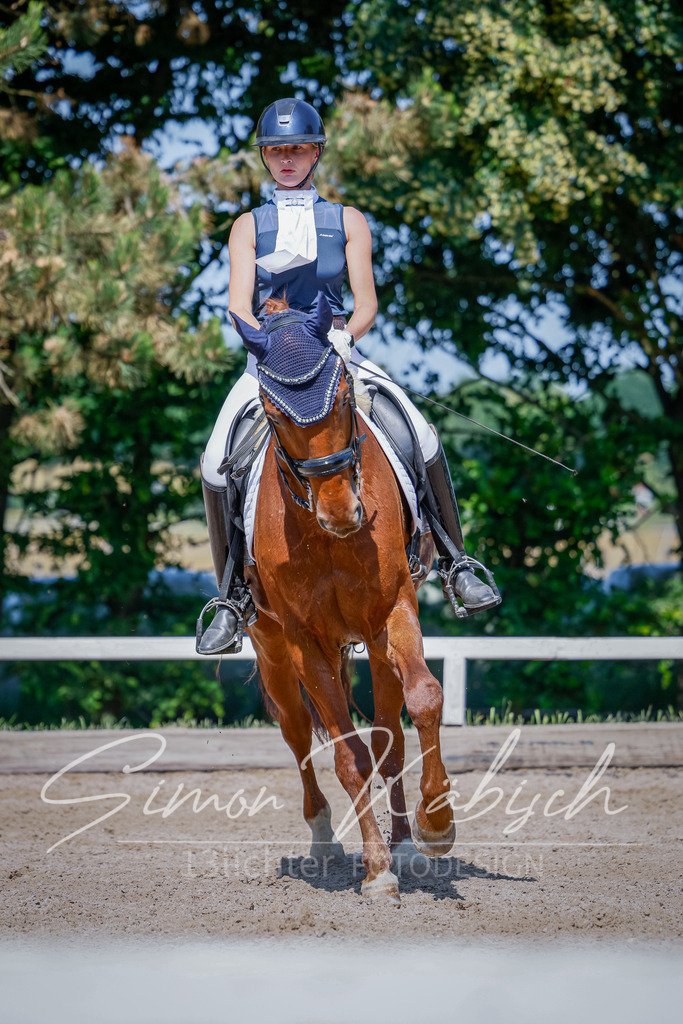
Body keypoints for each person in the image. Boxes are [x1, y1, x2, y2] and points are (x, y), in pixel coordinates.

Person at [196, 97, 500, 655]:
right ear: (266, 157)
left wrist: (344, 337)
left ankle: (458, 562)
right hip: (268, 361)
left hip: (339, 351)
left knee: (420, 431)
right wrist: (263, 346)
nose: (287, 159)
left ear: (316, 152)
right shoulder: (247, 226)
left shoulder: (347, 220)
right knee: (216, 461)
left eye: (298, 149)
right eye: (277, 150)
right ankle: (232, 594)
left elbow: (367, 303)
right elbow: (239, 304)